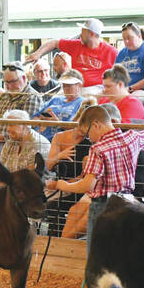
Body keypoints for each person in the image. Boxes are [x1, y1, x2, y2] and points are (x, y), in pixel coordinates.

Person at [46, 105, 144, 288]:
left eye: (87, 133)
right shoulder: (131, 138)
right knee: (110, 264)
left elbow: (88, 185)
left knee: (99, 266)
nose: (88, 139)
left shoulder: (98, 149)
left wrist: (62, 185)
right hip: (127, 205)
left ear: (96, 124)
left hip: (103, 208)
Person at [44, 96, 98, 238]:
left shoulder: (91, 143)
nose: (82, 131)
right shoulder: (59, 137)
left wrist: (64, 185)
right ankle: (52, 239)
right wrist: (60, 155)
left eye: (86, 128)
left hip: (78, 187)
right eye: (81, 125)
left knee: (55, 205)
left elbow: (85, 178)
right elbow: (49, 165)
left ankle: (59, 240)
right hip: (59, 183)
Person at [0, 61, 42, 170]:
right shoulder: (5, 96)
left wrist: (2, 137)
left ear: (24, 78)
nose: (9, 86)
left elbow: (26, 129)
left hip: (14, 143)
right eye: (6, 82)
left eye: (13, 81)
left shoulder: (32, 97)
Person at [27, 18, 117, 95]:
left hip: (94, 89)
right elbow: (54, 43)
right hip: (73, 85)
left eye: (83, 31)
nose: (80, 34)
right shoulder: (76, 45)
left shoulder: (111, 52)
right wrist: (37, 54)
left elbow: (121, 74)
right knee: (55, 100)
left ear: (92, 34)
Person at [33, 69, 84, 141]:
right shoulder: (55, 99)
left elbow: (79, 128)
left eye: (69, 85)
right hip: (41, 138)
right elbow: (35, 117)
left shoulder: (83, 103)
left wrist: (57, 122)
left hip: (62, 141)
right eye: (64, 85)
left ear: (79, 86)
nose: (66, 88)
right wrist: (42, 120)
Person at [115, 21, 144, 96]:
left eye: (129, 38)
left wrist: (130, 89)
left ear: (139, 36)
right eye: (124, 39)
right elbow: (115, 75)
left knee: (132, 98)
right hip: (126, 89)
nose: (126, 41)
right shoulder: (122, 53)